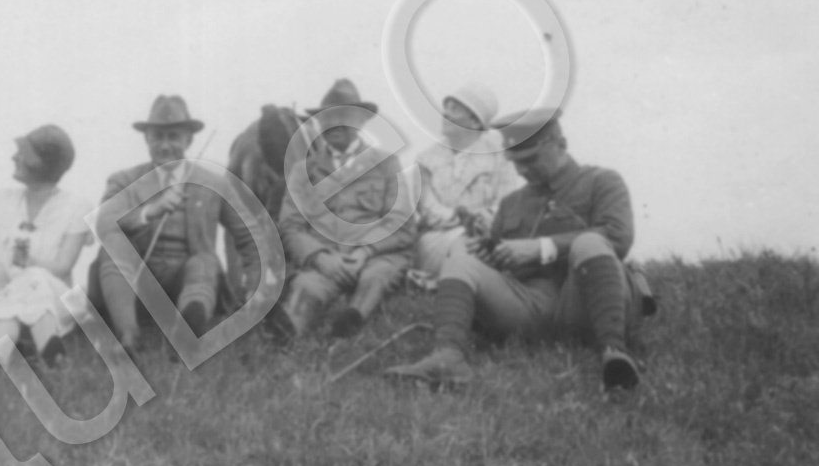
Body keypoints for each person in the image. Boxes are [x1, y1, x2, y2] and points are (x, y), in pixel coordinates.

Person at [386, 108, 651, 390]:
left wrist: (541, 248)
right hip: (532, 308)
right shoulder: (511, 203)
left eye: (531, 160)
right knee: (460, 257)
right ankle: (447, 358)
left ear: (560, 144)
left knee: (590, 242)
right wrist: (490, 253)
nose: (522, 170)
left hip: (586, 301)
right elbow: (500, 260)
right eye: (515, 162)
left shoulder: (602, 182)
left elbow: (618, 235)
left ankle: (614, 351)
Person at [88, 95, 261, 358]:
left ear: (188, 140)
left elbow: (249, 236)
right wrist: (150, 211)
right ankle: (128, 336)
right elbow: (104, 222)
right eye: (158, 137)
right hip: (137, 286)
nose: (165, 145)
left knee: (205, 261)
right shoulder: (124, 180)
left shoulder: (214, 183)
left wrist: (254, 288)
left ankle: (187, 329)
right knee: (113, 245)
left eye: (174, 137)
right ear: (147, 139)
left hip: (187, 280)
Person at [270, 79, 417, 340]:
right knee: (307, 286)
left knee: (376, 276)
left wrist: (365, 251)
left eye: (342, 116)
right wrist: (319, 257)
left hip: (374, 257)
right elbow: (290, 226)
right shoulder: (302, 171)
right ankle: (288, 328)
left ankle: (351, 321)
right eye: (325, 117)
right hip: (327, 260)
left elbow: (401, 222)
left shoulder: (386, 163)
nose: (332, 124)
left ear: (360, 121)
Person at [0, 124, 93, 366]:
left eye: (22, 154)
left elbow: (63, 266)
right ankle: (33, 355)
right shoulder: (3, 200)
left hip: (52, 299)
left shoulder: (75, 207)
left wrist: (29, 263)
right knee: (13, 294)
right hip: (0, 292)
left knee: (34, 278)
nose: (14, 157)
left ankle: (24, 352)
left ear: (40, 164)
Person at [412, 84, 521, 279]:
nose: (445, 113)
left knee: (480, 253)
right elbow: (427, 207)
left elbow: (505, 205)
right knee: (464, 251)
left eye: (455, 109)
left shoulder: (500, 159)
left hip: (485, 238)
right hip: (436, 239)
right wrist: (460, 220)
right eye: (446, 107)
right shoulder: (425, 160)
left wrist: (481, 226)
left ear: (475, 122)